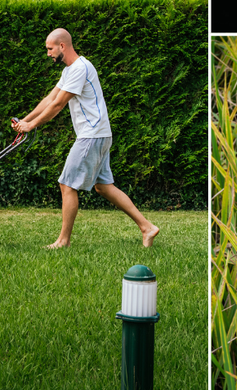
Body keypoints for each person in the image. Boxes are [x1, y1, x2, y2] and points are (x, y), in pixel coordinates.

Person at [12, 28, 160, 249]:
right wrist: (24, 120)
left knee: (66, 183)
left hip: (92, 135)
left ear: (62, 46)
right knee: (104, 187)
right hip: (99, 133)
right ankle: (147, 227)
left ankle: (63, 241)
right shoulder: (70, 70)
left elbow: (58, 105)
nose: (48, 53)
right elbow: (49, 98)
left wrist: (32, 125)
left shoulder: (81, 68)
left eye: (50, 49)